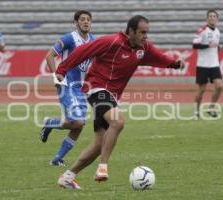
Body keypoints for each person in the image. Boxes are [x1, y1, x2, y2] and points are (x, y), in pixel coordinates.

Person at [54, 15, 185, 189]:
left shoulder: (142, 48)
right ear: (130, 31)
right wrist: (62, 69)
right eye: (142, 32)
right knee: (118, 121)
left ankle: (67, 177)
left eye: (147, 33)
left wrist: (174, 64)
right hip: (97, 89)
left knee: (99, 144)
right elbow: (82, 51)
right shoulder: (111, 42)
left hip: (111, 96)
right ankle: (103, 168)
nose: (145, 36)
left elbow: (159, 57)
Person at [40, 10, 95, 166]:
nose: (86, 22)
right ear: (76, 23)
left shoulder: (94, 41)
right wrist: (56, 74)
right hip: (66, 85)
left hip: (81, 89)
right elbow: (49, 55)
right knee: (77, 122)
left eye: (88, 20)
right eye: (82, 19)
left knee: (78, 125)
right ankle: (50, 123)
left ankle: (57, 158)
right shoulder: (70, 38)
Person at [193, 9, 223, 119]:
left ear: (217, 19)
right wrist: (208, 46)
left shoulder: (217, 32)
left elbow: (215, 45)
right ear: (207, 18)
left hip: (214, 64)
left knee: (220, 86)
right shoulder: (202, 30)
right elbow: (195, 45)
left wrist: (220, 47)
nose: (212, 18)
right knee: (201, 90)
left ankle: (211, 108)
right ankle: (196, 111)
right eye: (210, 16)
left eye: (214, 16)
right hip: (202, 65)